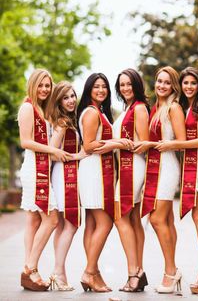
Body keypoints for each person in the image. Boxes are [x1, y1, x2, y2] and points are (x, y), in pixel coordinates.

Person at [156, 67, 198, 294]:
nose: (189, 87)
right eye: (185, 83)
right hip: (193, 165)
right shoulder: (183, 107)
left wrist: (171, 145)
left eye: (193, 83)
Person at [18, 69, 72, 291]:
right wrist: (52, 151)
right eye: (40, 85)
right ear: (33, 85)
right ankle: (29, 268)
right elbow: (25, 142)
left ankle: (31, 270)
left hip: (42, 167)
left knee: (33, 221)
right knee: (51, 219)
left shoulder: (44, 110)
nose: (44, 89)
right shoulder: (27, 107)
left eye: (48, 85)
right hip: (34, 169)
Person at [135, 66, 185, 294]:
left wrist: (156, 145)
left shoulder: (173, 108)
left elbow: (181, 141)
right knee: (167, 221)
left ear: (173, 86)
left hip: (167, 167)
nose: (162, 86)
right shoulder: (157, 108)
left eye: (167, 82)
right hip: (155, 165)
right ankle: (173, 271)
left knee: (156, 220)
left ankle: (171, 272)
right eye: (159, 81)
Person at [77, 73, 115, 293]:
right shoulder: (91, 113)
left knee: (92, 224)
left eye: (104, 87)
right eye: (96, 86)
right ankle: (90, 272)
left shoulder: (96, 111)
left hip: (93, 170)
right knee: (105, 222)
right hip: (93, 171)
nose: (101, 90)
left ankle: (94, 272)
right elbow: (89, 145)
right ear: (89, 89)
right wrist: (116, 142)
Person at [48, 81, 87, 290]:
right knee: (71, 223)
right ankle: (57, 272)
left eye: (72, 96)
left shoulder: (67, 120)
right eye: (66, 97)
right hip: (65, 175)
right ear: (58, 101)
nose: (71, 100)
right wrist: (78, 155)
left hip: (64, 174)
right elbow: (52, 150)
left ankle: (59, 273)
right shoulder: (62, 123)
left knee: (63, 225)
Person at [113, 68, 149, 292]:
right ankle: (139, 272)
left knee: (119, 216)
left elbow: (144, 143)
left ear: (137, 85)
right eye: (122, 84)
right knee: (134, 220)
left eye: (129, 84)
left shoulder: (141, 108)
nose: (125, 88)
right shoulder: (128, 108)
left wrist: (113, 144)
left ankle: (133, 272)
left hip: (133, 167)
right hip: (125, 167)